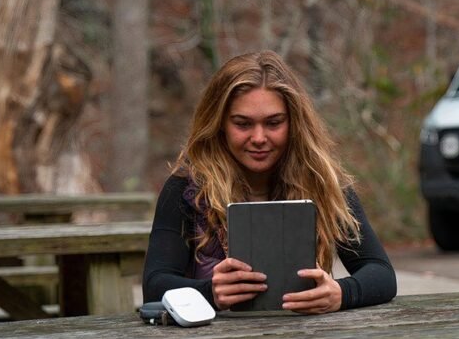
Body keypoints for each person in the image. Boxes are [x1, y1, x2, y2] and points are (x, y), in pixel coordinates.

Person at [143, 50, 397, 314]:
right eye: (242, 124)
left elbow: (381, 273)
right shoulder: (187, 188)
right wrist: (210, 293)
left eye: (274, 123)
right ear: (219, 124)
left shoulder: (323, 181)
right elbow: (155, 284)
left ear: (294, 122)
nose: (259, 137)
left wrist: (342, 293)